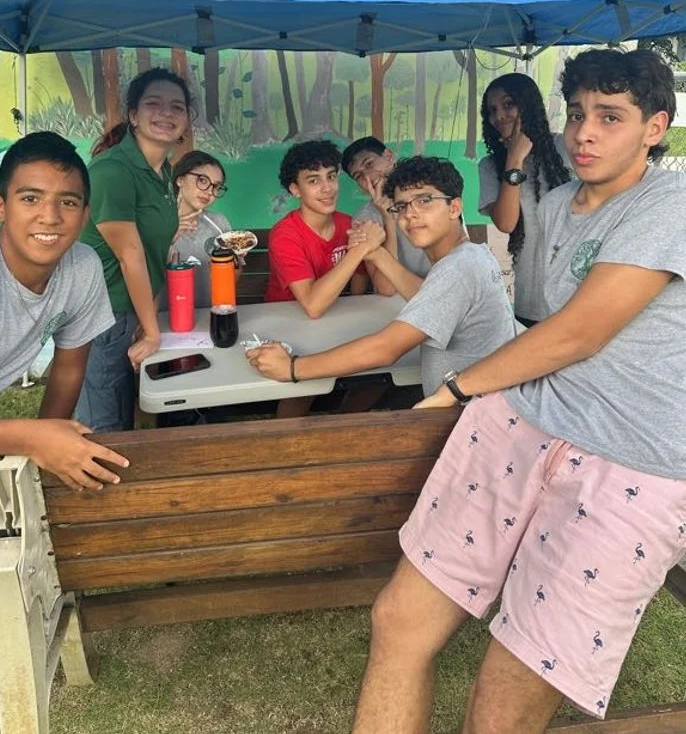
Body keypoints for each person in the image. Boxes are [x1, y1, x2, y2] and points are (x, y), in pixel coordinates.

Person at [350, 49, 686, 734]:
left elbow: (577, 332)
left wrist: (458, 387)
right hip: (525, 417)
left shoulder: (672, 204)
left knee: (504, 700)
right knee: (399, 621)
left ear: (654, 127)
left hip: (632, 461)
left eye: (610, 117)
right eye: (577, 113)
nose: (584, 132)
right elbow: (538, 319)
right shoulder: (557, 203)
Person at [0, 132, 128, 492]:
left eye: (67, 202)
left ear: (85, 214)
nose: (50, 217)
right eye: (30, 199)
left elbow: (68, 369)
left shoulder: (82, 267)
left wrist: (47, 446)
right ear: (1, 207)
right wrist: (32, 438)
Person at [249, 156, 518, 398]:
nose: (410, 213)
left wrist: (292, 367)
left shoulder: (457, 269)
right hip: (478, 404)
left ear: (454, 208)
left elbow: (385, 349)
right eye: (401, 206)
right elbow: (423, 294)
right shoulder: (471, 256)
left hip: (473, 416)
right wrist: (375, 252)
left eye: (424, 200)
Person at [75, 67, 192, 433]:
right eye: (154, 103)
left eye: (177, 106)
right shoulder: (113, 171)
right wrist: (152, 331)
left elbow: (156, 251)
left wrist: (147, 318)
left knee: (126, 413)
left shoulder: (163, 171)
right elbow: (131, 257)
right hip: (103, 315)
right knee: (104, 426)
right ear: (133, 116)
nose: (166, 113)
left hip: (134, 311)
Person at [479, 73, 571, 327]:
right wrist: (514, 159)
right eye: (492, 110)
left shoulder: (565, 148)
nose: (499, 116)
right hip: (531, 301)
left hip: (575, 296)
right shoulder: (490, 166)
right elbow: (506, 224)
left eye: (508, 104)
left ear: (528, 104)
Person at [264, 139, 378, 317]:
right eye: (313, 181)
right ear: (295, 189)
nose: (327, 188)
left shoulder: (348, 224)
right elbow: (313, 307)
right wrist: (358, 251)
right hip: (284, 318)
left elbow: (359, 277)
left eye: (331, 177)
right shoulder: (284, 235)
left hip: (332, 315)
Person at [341, 136, 431, 295]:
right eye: (359, 176)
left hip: (441, 293)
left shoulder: (432, 197)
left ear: (389, 156)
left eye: (369, 164)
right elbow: (387, 288)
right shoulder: (364, 219)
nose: (368, 177)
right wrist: (388, 219)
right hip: (395, 303)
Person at [170, 150, 234, 308]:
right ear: (180, 179)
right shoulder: (155, 222)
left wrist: (234, 259)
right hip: (164, 315)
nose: (209, 192)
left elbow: (232, 279)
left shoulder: (219, 223)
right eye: (202, 180)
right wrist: (166, 239)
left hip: (209, 312)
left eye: (216, 186)